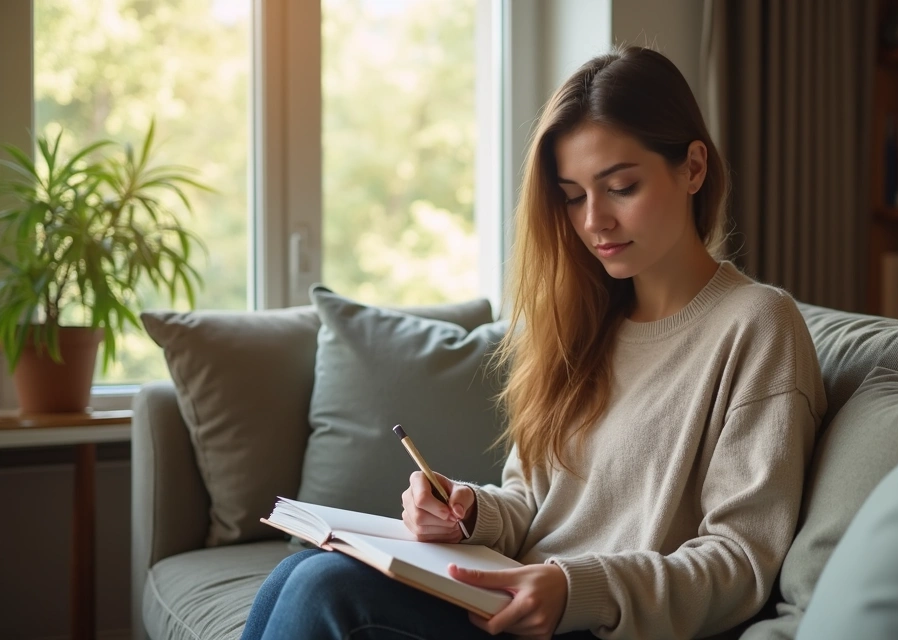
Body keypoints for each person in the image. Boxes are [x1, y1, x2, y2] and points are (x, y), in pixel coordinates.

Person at [240, 45, 825, 640]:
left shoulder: (757, 325)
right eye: (573, 196)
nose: (594, 220)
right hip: (519, 601)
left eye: (620, 186)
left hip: (596, 624)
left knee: (323, 589)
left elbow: (742, 560)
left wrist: (577, 590)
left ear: (693, 168)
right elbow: (532, 501)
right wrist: (469, 512)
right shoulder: (588, 322)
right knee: (300, 569)